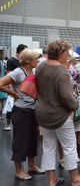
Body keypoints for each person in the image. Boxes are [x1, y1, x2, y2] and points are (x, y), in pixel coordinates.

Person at [35, 41, 80, 186]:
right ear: (60, 54)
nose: (68, 56)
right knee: (69, 146)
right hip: (60, 115)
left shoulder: (41, 66)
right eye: (67, 53)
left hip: (43, 113)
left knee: (49, 147)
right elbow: (67, 97)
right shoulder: (62, 71)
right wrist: (75, 107)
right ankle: (76, 179)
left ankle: (52, 180)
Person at [0, 49, 42, 180]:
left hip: (32, 110)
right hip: (21, 111)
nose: (38, 60)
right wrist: (12, 93)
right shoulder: (18, 72)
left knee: (32, 140)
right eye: (36, 58)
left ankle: (31, 166)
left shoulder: (34, 71)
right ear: (29, 60)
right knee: (20, 141)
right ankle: (18, 170)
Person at [4, 44, 28, 131]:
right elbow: (9, 74)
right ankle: (7, 123)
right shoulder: (11, 60)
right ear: (20, 51)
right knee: (10, 106)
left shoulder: (23, 61)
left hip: (22, 86)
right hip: (13, 86)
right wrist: (10, 88)